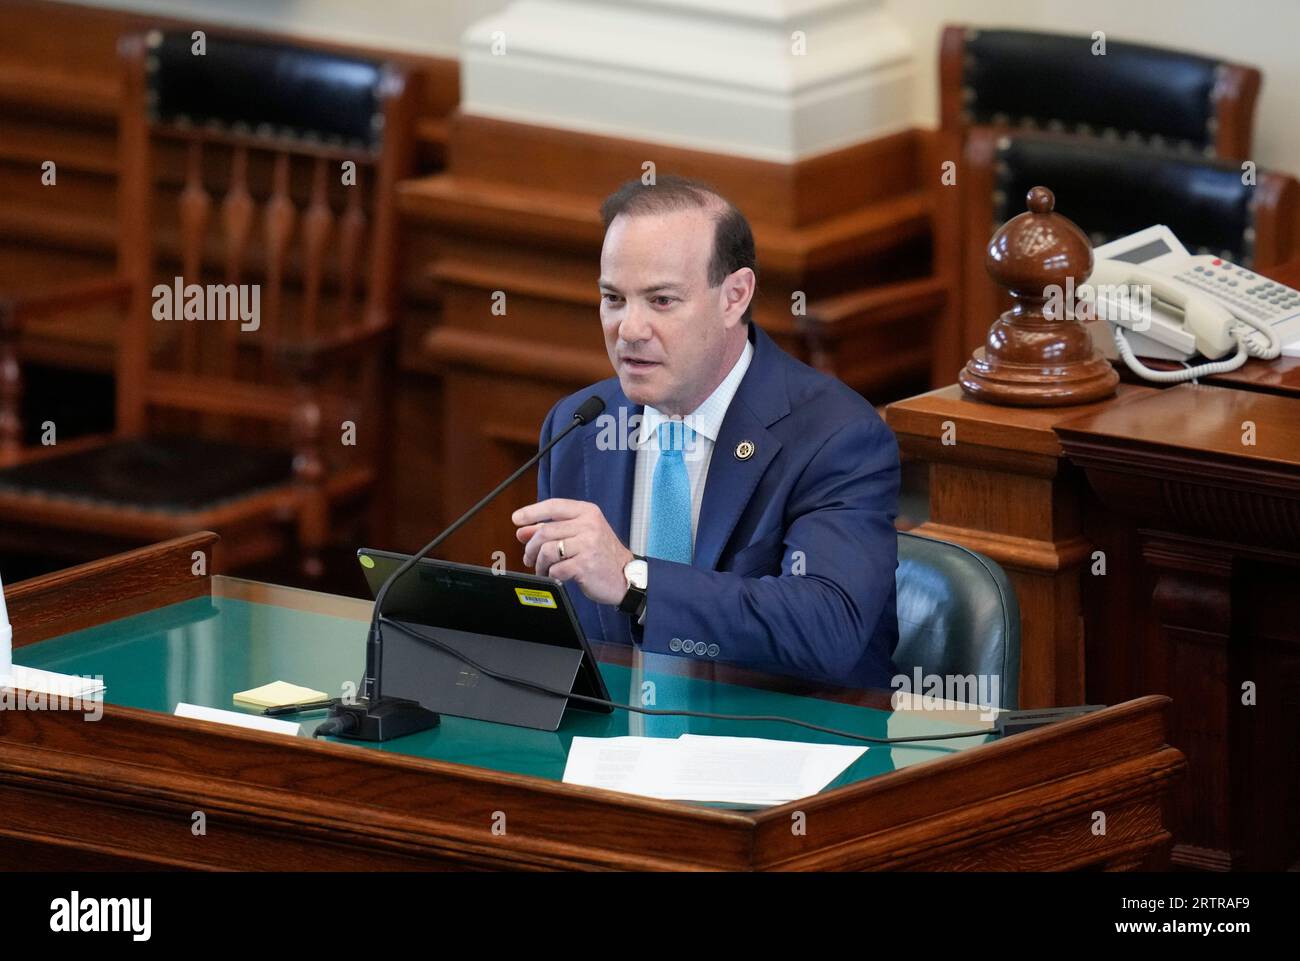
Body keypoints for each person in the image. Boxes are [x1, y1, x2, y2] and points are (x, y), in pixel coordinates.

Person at [511, 175, 900, 689]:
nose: (629, 329)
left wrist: (636, 580)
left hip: (781, 751)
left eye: (662, 301)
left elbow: (827, 627)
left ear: (734, 296)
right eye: (613, 298)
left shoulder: (836, 436)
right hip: (608, 752)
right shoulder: (580, 425)